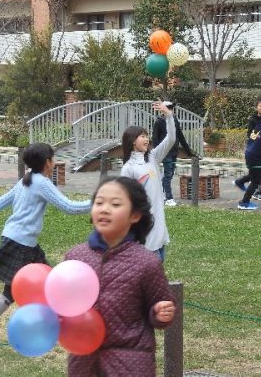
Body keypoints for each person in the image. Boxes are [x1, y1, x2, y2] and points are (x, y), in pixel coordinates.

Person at [0, 143, 91, 353]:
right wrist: (98, 201)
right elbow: (69, 207)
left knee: (51, 284)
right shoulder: (41, 183)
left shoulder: (27, 180)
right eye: (53, 159)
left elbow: (0, 202)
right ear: (47, 162)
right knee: (10, 294)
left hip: (23, 243)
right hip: (20, 244)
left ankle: (57, 328)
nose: (54, 162)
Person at [66, 176, 176, 377]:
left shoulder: (146, 263)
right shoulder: (74, 258)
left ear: (134, 215)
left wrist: (159, 313)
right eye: (99, 203)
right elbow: (63, 305)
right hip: (83, 362)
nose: (105, 209)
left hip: (130, 363)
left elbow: (161, 305)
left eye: (115, 204)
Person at [120, 101, 175, 262]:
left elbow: (171, 139)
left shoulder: (152, 157)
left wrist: (169, 115)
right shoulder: (128, 169)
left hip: (159, 231)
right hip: (144, 235)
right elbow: (124, 201)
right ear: (132, 141)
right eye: (142, 136)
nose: (147, 139)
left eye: (146, 135)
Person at [151, 101, 194, 207]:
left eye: (171, 107)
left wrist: (188, 150)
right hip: (165, 152)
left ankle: (162, 194)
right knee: (168, 175)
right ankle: (168, 198)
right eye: (168, 107)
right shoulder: (159, 122)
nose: (171, 109)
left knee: (168, 175)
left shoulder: (174, 120)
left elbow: (180, 135)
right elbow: (155, 138)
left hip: (174, 151)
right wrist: (157, 152)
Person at [233, 99, 261, 198]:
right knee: (260, 172)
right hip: (254, 150)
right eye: (260, 106)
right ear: (256, 108)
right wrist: (256, 136)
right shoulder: (252, 119)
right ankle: (254, 192)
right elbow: (249, 134)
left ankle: (242, 183)